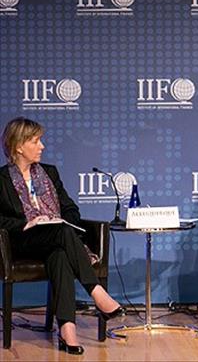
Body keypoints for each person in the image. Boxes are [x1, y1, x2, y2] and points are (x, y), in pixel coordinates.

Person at [0, 117, 124, 355]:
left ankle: (67, 330)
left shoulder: (49, 173)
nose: (42, 146)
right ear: (19, 146)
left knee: (60, 254)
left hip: (54, 238)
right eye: (35, 141)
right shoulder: (2, 179)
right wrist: (27, 223)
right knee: (61, 233)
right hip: (21, 242)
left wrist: (57, 219)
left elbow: (70, 209)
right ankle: (97, 292)